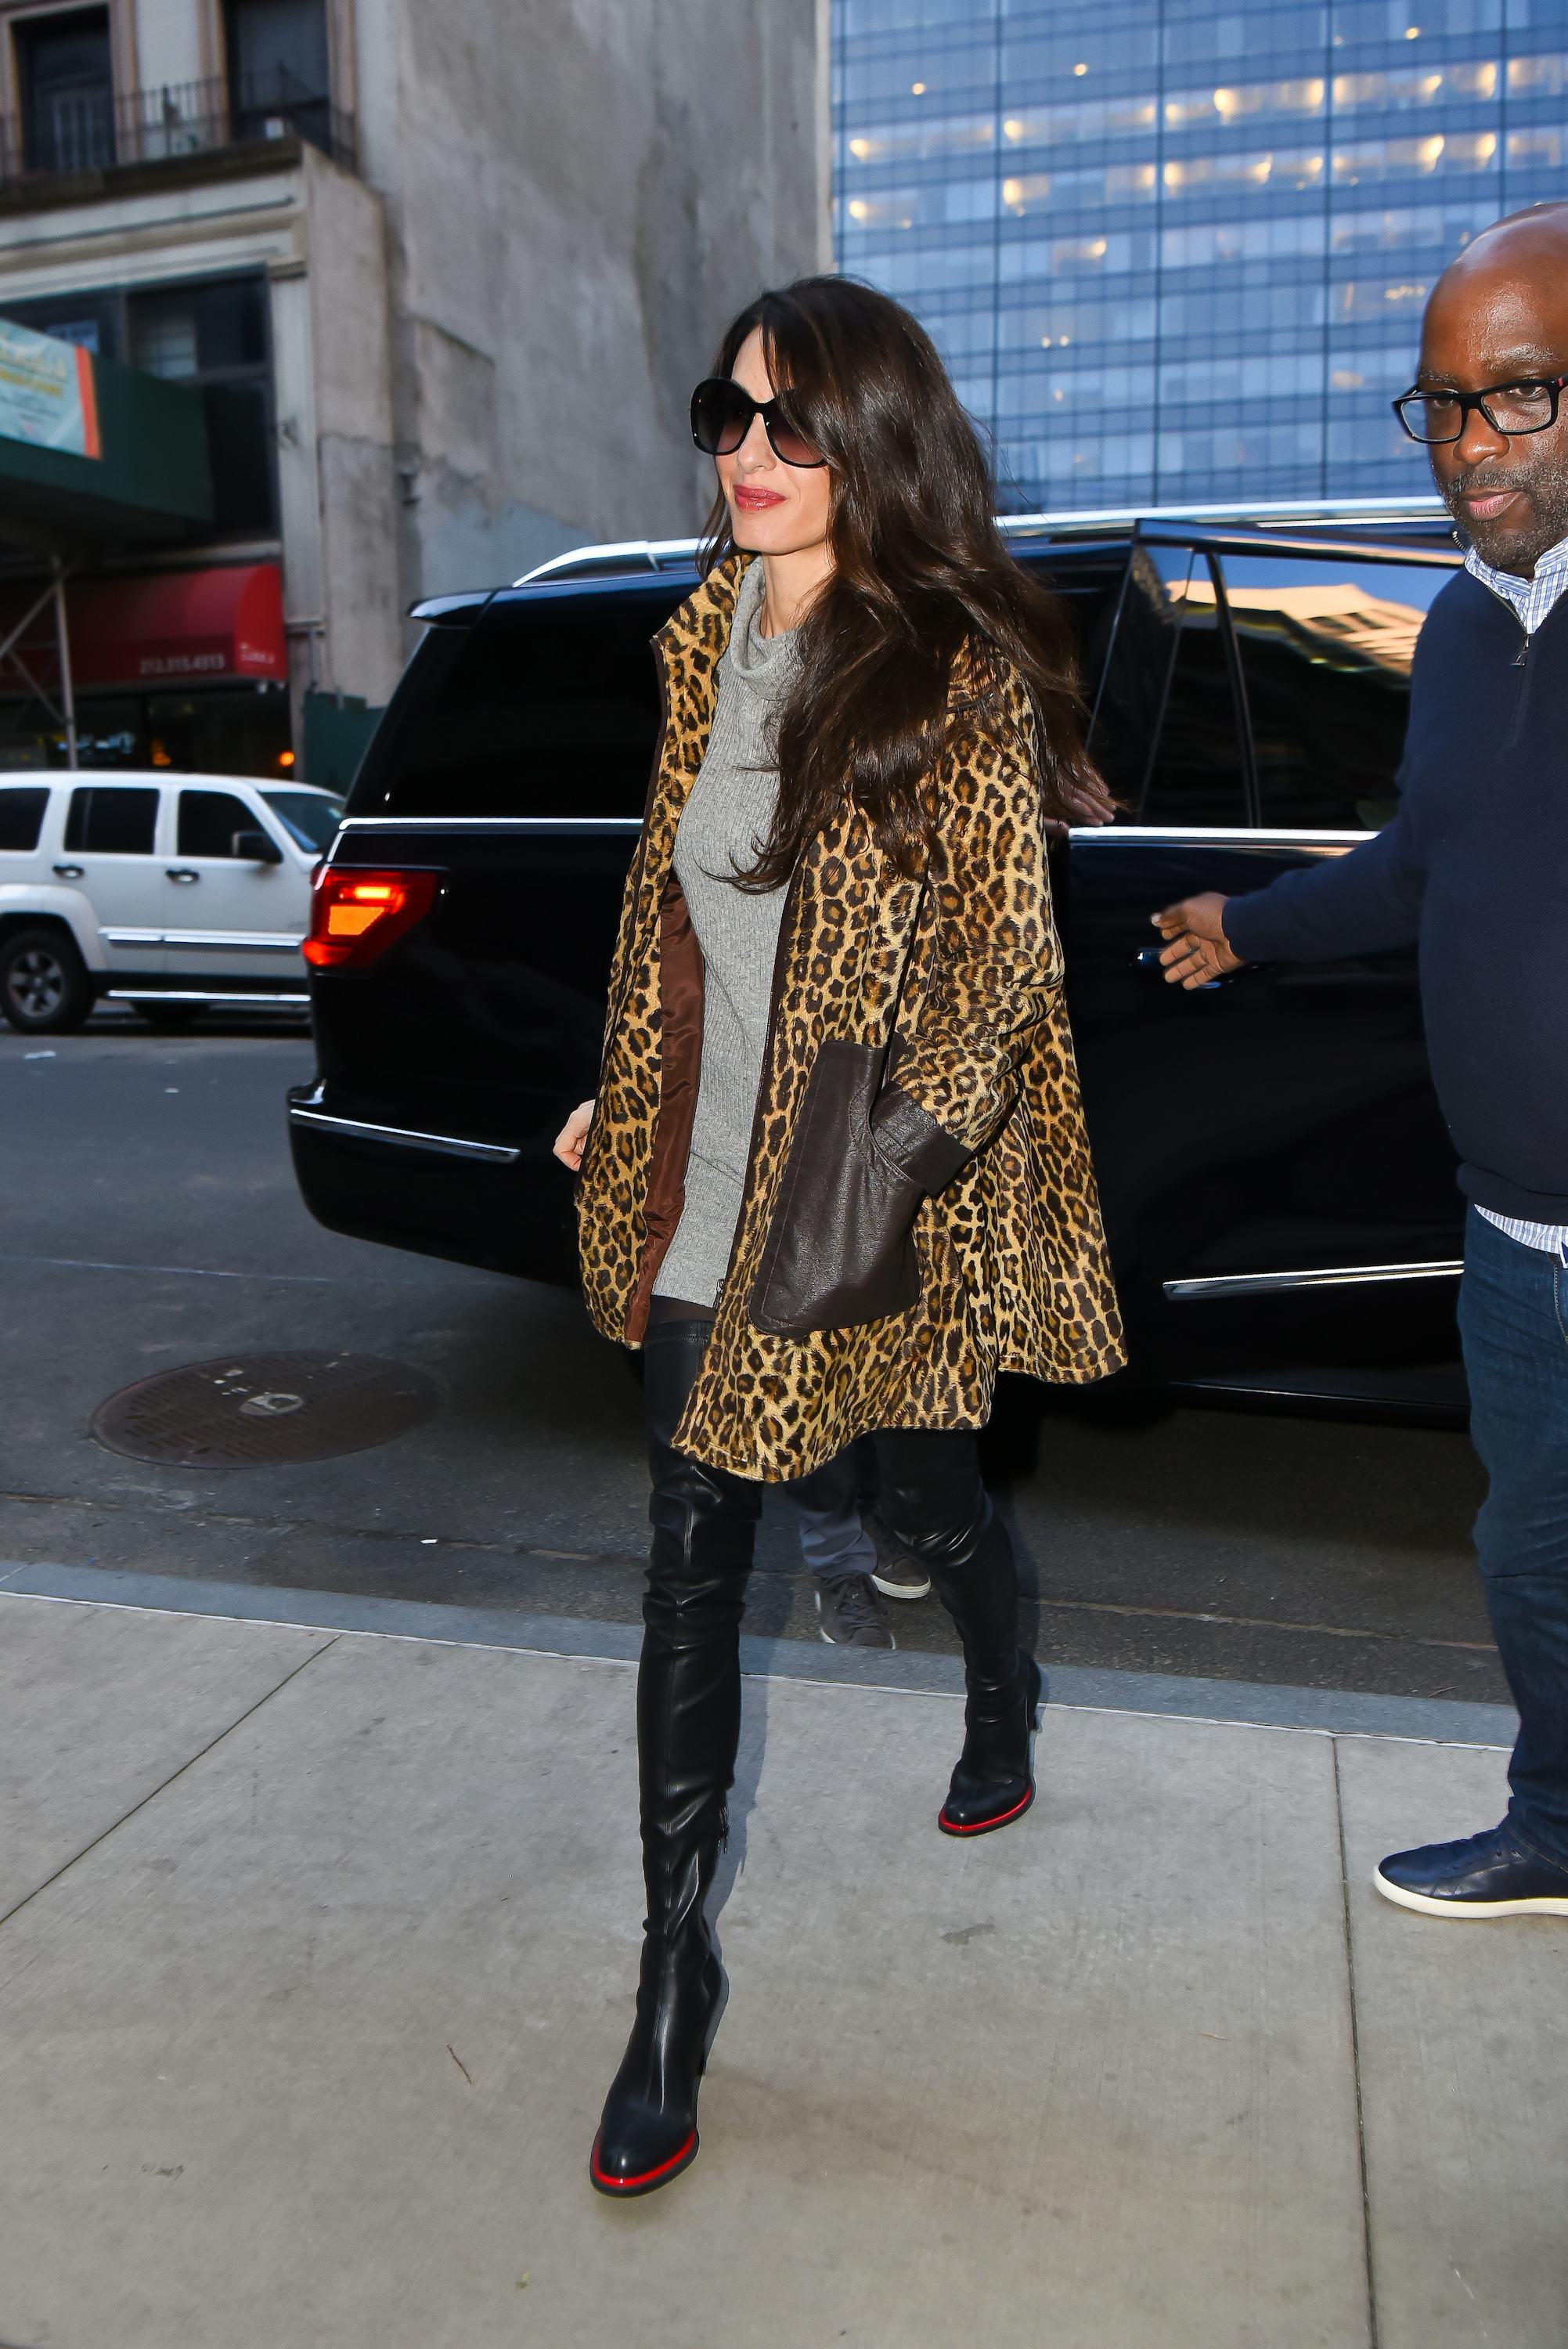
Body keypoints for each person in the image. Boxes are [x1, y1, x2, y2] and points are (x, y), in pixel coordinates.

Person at [553, 275, 1125, 2196]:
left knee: (924, 1507)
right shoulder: (691, 642)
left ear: (873, 439)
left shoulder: (946, 671)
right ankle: (668, 1978)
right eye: (730, 413)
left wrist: (874, 1187)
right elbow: (669, 912)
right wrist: (619, 1090)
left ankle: (1002, 1660)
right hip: (707, 1196)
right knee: (686, 1558)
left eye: (796, 424)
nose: (751, 455)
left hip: (879, 1206)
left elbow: (994, 984)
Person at [1155, 202, 1568, 1927]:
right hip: (1513, 1238)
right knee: (1531, 1561)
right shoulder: (1464, 633)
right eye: (1444, 402)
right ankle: (1556, 1822)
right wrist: (1250, 931)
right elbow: (1423, 865)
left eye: (1519, 393)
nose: (1470, 440)